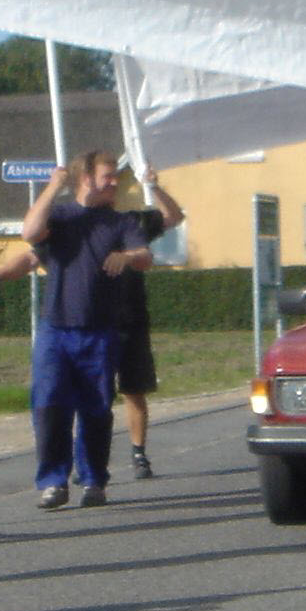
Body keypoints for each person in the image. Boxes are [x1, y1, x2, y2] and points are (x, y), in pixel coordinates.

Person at [0, 152, 165, 508]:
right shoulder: (59, 217)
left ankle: (93, 480)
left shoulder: (120, 222)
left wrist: (128, 257)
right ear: (85, 179)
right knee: (49, 406)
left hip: (99, 330)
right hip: (55, 330)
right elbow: (30, 241)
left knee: (96, 408)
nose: (113, 183)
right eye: (107, 176)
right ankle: (54, 481)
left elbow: (146, 256)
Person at [96, 191, 180, 483]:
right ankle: (95, 461)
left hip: (131, 319)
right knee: (96, 395)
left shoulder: (133, 221)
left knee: (134, 390)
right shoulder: (80, 224)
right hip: (95, 321)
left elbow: (174, 216)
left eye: (112, 181)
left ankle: (138, 453)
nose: (110, 187)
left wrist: (154, 187)